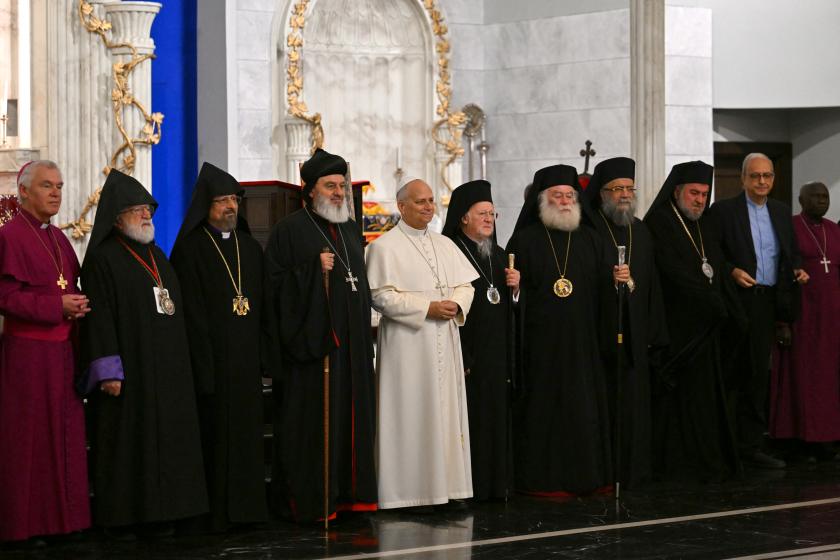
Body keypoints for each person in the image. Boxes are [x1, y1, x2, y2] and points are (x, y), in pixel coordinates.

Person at [80, 169, 208, 537]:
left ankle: (169, 509)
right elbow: (99, 318)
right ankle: (129, 517)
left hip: (168, 371)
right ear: (117, 216)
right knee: (130, 443)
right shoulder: (103, 259)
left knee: (168, 442)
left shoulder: (157, 256)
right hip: (129, 372)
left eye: (148, 208)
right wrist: (108, 370)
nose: (146, 214)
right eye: (137, 209)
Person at [264, 148, 377, 522]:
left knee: (354, 422)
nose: (339, 193)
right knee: (314, 429)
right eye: (330, 186)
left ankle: (353, 497)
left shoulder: (348, 227)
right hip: (313, 354)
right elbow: (274, 289)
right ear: (309, 189)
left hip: (352, 350)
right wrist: (312, 271)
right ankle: (315, 501)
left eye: (342, 185)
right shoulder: (289, 230)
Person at [366, 178, 477, 510]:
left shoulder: (445, 244)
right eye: (421, 202)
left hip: (444, 337)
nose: (429, 207)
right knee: (410, 414)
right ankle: (408, 494)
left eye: (431, 200)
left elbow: (466, 286)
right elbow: (380, 297)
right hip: (408, 344)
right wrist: (425, 308)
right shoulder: (383, 247)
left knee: (445, 414)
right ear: (402, 207)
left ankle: (450, 490)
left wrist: (456, 304)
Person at [170, 162, 268, 532]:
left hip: (245, 364)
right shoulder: (190, 250)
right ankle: (215, 516)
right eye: (222, 200)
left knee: (247, 440)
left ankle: (248, 511)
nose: (230, 207)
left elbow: (263, 307)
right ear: (205, 205)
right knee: (214, 440)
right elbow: (191, 316)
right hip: (209, 364)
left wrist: (262, 356)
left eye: (234, 200)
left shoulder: (250, 247)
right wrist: (204, 365)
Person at [506, 164, 612, 496]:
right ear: (542, 201)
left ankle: (588, 477)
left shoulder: (592, 239)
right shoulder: (524, 240)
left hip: (584, 343)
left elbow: (603, 295)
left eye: (569, 195)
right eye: (557, 195)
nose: (565, 201)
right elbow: (513, 296)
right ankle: (545, 479)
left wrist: (619, 284)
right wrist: (516, 290)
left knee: (584, 410)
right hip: (542, 345)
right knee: (545, 410)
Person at [0, 161, 91, 543]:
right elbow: (5, 296)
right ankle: (27, 526)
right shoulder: (8, 237)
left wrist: (79, 305)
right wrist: (58, 307)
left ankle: (65, 522)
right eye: (46, 186)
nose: (55, 192)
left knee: (65, 438)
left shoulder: (59, 239)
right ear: (23, 191)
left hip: (63, 355)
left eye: (59, 186)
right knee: (30, 442)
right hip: (28, 358)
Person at [709, 153, 808, 470]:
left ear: (773, 179)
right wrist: (732, 271)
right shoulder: (724, 211)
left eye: (767, 176)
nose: (762, 181)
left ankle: (750, 445)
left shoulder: (780, 212)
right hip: (737, 301)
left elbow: (789, 253)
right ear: (743, 179)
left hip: (767, 302)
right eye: (755, 176)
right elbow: (712, 256)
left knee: (757, 375)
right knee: (731, 372)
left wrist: (796, 270)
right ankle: (722, 446)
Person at [643, 161, 739, 481]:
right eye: (694, 193)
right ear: (677, 192)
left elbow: (716, 266)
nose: (699, 200)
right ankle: (679, 466)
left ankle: (706, 461)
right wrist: (708, 301)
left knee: (706, 402)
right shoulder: (660, 222)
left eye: (704, 194)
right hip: (678, 330)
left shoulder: (704, 224)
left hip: (706, 328)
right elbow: (671, 273)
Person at [582, 157, 668, 488]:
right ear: (601, 193)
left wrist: (652, 333)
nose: (624, 195)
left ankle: (635, 472)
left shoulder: (641, 230)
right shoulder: (589, 231)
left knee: (635, 407)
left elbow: (653, 287)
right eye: (617, 189)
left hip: (636, 335)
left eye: (629, 188)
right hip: (601, 335)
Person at [442, 179, 519, 501]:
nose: (489, 219)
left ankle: (495, 486)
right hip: (465, 353)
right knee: (467, 423)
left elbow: (506, 307)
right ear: (463, 217)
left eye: (492, 214)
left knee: (495, 420)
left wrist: (515, 290)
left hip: (497, 355)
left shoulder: (500, 256)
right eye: (482, 213)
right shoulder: (448, 253)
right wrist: (465, 357)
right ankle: (466, 489)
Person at [769, 182, 840, 457]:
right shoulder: (791, 227)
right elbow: (781, 270)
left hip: (831, 321)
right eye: (816, 196)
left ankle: (827, 436)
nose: (822, 201)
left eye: (825, 196)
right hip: (801, 317)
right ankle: (796, 438)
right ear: (801, 199)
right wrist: (782, 321)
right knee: (799, 378)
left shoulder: (834, 229)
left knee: (828, 381)